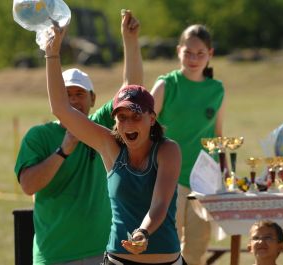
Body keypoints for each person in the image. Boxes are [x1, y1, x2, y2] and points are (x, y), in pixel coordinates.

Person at [44, 10, 185, 265]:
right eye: (121, 117)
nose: (127, 123)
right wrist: (52, 54)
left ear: (152, 118)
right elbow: (61, 109)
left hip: (167, 259)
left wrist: (143, 233)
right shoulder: (109, 145)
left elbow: (160, 204)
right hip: (119, 260)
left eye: (136, 116)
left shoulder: (168, 149)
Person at [14, 11, 141, 265]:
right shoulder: (39, 136)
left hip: (103, 251)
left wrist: (130, 41)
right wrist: (63, 150)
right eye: (67, 93)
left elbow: (131, 90)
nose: (73, 100)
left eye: (80, 94)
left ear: (93, 99)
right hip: (55, 255)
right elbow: (29, 185)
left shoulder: (100, 128)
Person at [150, 24, 226, 265]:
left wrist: (225, 174)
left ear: (210, 54)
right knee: (165, 247)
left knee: (196, 249)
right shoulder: (165, 85)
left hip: (203, 181)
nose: (194, 59)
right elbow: (143, 128)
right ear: (178, 51)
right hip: (165, 178)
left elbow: (218, 134)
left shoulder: (217, 90)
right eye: (188, 52)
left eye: (200, 53)